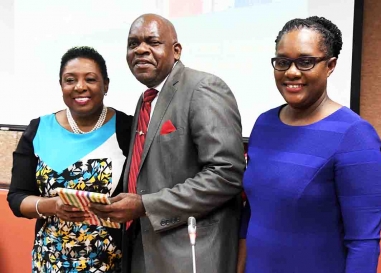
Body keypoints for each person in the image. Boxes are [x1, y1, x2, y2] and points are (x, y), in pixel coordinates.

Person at [89, 14, 245, 273]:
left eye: (152, 42)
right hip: (146, 250)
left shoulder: (203, 88)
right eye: (133, 44)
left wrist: (145, 205)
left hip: (191, 254)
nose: (140, 50)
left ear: (176, 51)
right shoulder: (146, 99)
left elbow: (226, 174)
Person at [240, 16, 381, 273]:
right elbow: (252, 210)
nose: (291, 72)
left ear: (330, 66)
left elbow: (363, 243)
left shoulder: (355, 136)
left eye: (305, 62)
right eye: (283, 62)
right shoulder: (264, 124)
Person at [7, 46, 133, 272]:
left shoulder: (128, 129)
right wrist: (52, 206)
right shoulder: (39, 129)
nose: (80, 87)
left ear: (106, 85)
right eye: (70, 80)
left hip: (113, 262)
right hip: (51, 260)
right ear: (61, 86)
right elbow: (17, 198)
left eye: (91, 79)